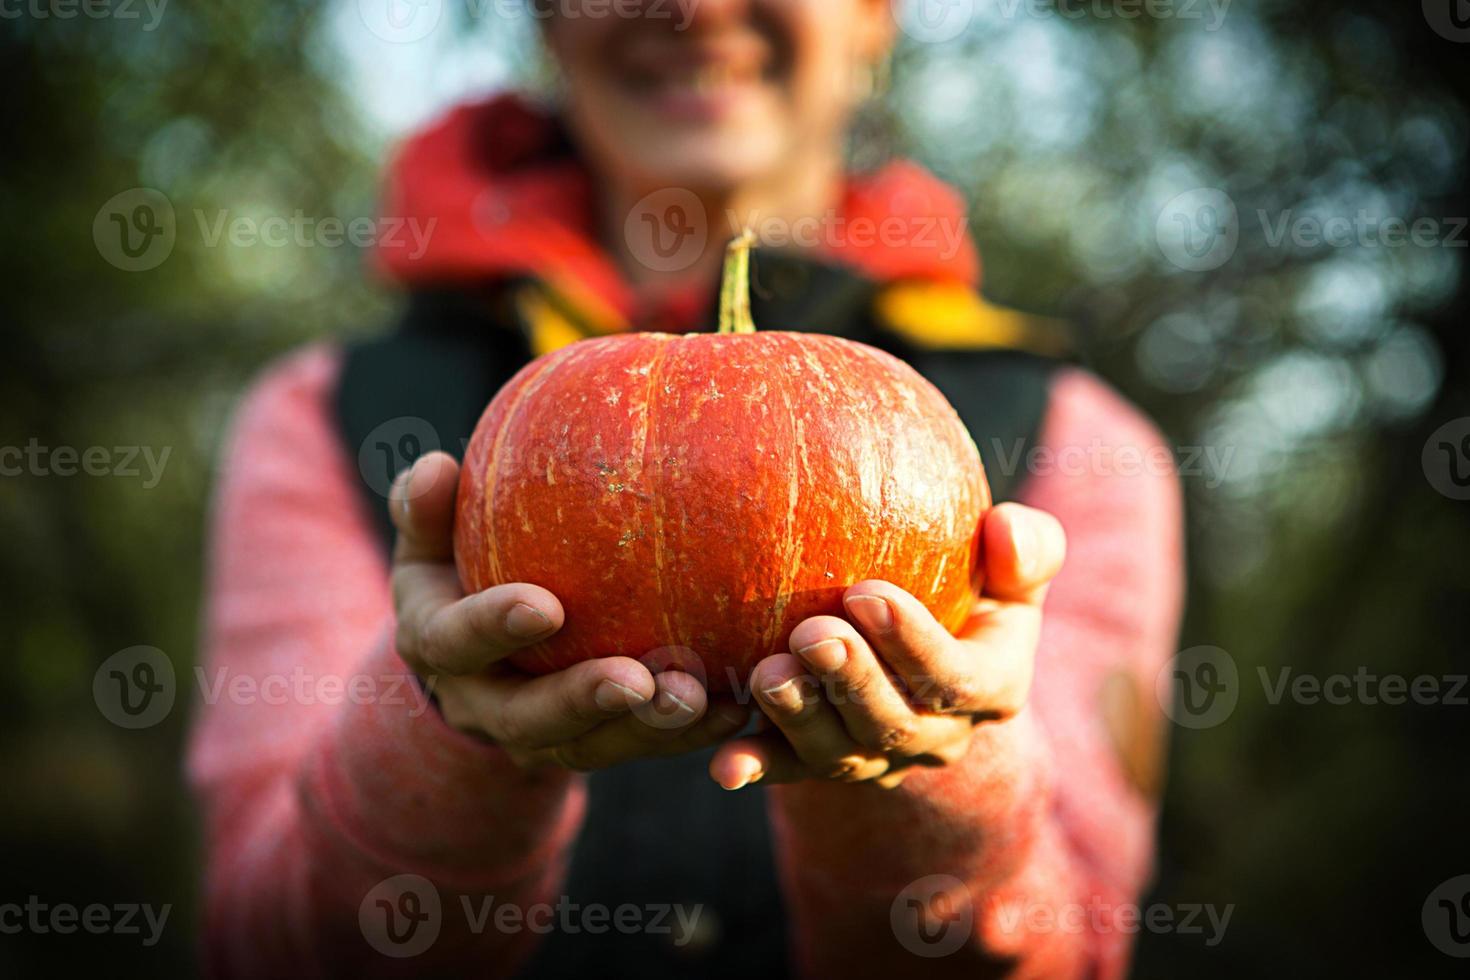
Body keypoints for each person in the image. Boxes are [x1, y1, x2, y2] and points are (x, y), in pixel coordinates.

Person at [188, 1, 1184, 976]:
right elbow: (262, 943)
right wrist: (446, 733)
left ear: (876, 16)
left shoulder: (1080, 439)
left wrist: (934, 777)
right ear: (548, 19)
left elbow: (1080, 947)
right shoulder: (324, 412)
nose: (697, 8)